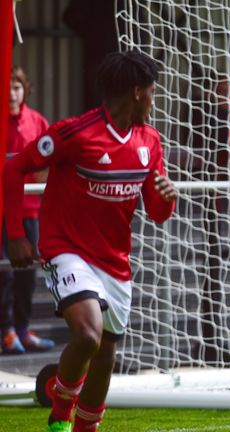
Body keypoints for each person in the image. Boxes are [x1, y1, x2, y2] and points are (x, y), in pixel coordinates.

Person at [3, 50, 177, 432]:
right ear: (136, 92)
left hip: (115, 260)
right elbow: (14, 167)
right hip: (66, 248)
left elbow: (157, 211)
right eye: (151, 91)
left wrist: (166, 195)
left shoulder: (149, 140)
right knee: (87, 334)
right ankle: (61, 414)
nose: (154, 98)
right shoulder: (75, 132)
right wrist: (15, 235)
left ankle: (85, 427)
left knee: (105, 351)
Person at [1, 65, 54, 354]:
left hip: (29, 209)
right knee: (4, 274)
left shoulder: (38, 122)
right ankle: (6, 331)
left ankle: (22, 328)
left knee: (27, 274)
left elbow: (49, 165)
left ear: (25, 90)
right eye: (7, 87)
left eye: (17, 87)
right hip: (1, 211)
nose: (11, 93)